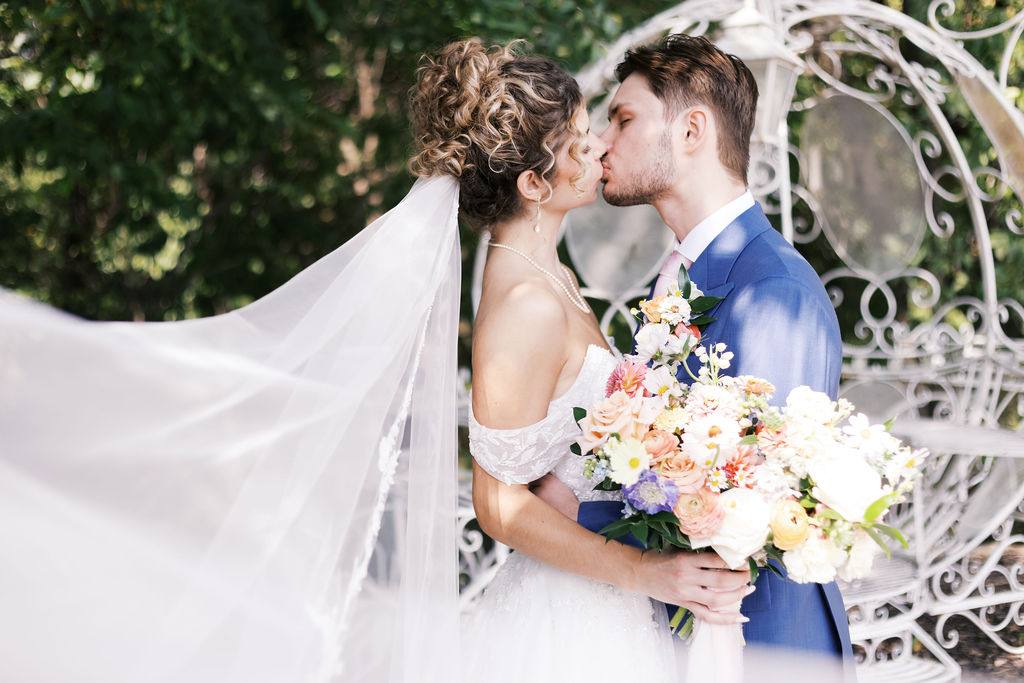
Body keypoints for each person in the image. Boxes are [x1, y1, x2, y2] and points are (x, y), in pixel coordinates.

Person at [406, 40, 751, 681]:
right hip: (565, 622)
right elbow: (497, 504)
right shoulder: (525, 303)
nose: (599, 149)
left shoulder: (551, 273)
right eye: (579, 142)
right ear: (534, 183)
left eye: (594, 129)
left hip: (602, 597)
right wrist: (647, 570)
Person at [535, 34, 855, 665]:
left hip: (760, 642)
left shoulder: (772, 291)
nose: (602, 142)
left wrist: (570, 512)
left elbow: (754, 506)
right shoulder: (680, 273)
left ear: (692, 131)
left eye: (623, 120)